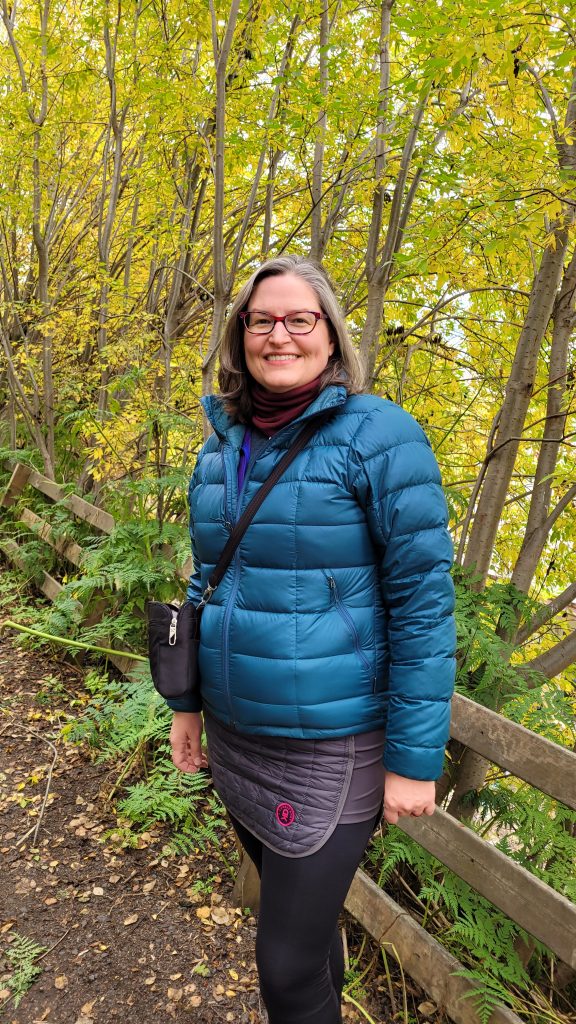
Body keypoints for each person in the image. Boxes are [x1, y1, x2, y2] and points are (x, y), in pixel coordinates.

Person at [166, 255, 456, 1024]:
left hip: (332, 745)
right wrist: (186, 704)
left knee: (285, 966)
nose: (279, 335)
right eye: (261, 320)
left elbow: (424, 604)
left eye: (300, 319)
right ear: (240, 336)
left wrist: (413, 761)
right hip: (238, 734)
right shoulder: (222, 444)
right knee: (306, 937)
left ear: (330, 336)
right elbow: (207, 582)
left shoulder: (379, 435)